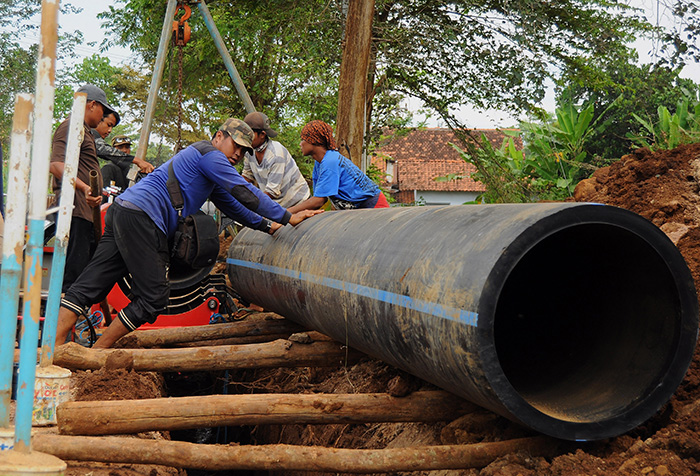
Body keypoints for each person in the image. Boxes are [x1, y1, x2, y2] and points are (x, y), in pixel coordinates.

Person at [54, 118, 322, 348]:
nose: (239, 155)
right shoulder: (210, 155)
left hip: (123, 211)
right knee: (153, 298)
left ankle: (52, 352)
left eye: (244, 151)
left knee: (90, 284)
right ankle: (98, 352)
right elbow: (245, 192)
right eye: (236, 146)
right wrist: (287, 216)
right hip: (144, 218)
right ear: (219, 137)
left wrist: (269, 226)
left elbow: (235, 206)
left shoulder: (207, 168)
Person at [49, 84, 116, 293]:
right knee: (72, 277)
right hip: (74, 209)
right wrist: (86, 187)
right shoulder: (71, 126)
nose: (102, 116)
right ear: (92, 105)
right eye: (102, 111)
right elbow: (56, 165)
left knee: (82, 274)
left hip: (85, 212)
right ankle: (62, 323)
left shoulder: (84, 131)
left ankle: (70, 320)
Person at [287, 120, 389, 213]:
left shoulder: (330, 161)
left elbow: (318, 201)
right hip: (357, 208)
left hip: (373, 205)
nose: (300, 144)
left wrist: (285, 213)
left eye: (303, 139)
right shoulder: (320, 163)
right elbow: (318, 198)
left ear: (313, 140)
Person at [241, 112, 310, 208]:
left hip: (298, 203)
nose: (246, 137)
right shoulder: (249, 152)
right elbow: (247, 177)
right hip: (279, 204)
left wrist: (251, 204)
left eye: (249, 133)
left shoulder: (276, 154)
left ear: (262, 134)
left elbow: (272, 192)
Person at [91, 114, 154, 192]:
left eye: (127, 147)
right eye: (120, 147)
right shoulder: (109, 168)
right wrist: (137, 161)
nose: (124, 150)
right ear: (113, 149)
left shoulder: (128, 170)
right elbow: (104, 193)